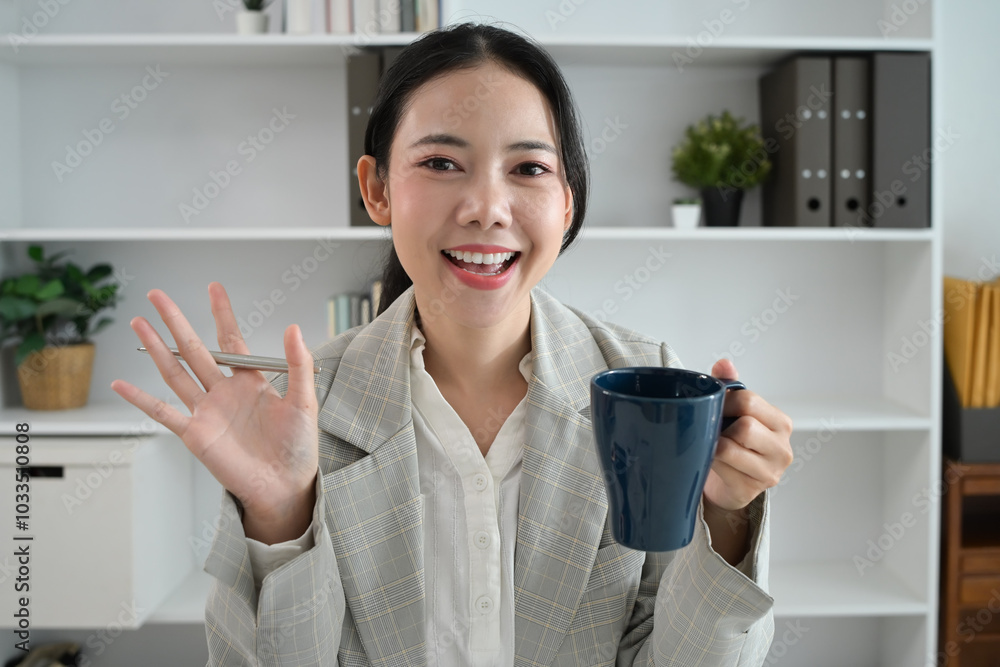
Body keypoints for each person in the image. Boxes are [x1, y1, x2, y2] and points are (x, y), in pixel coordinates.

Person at [111, 21, 793, 666]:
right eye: (441, 161)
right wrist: (280, 514)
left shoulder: (648, 388)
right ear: (376, 189)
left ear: (569, 203)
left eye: (528, 169)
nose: (485, 207)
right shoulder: (299, 412)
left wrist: (727, 520)